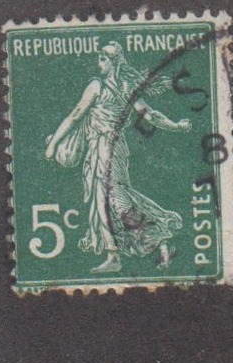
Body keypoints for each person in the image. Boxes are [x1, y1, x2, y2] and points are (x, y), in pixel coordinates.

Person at [45, 43, 190, 273]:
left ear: (113, 62)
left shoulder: (96, 86)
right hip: (117, 148)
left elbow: (75, 116)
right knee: (118, 198)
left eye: (102, 59)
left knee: (106, 200)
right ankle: (155, 240)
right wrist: (176, 126)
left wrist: (53, 145)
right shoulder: (126, 86)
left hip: (104, 147)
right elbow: (150, 115)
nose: (99, 63)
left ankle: (119, 253)